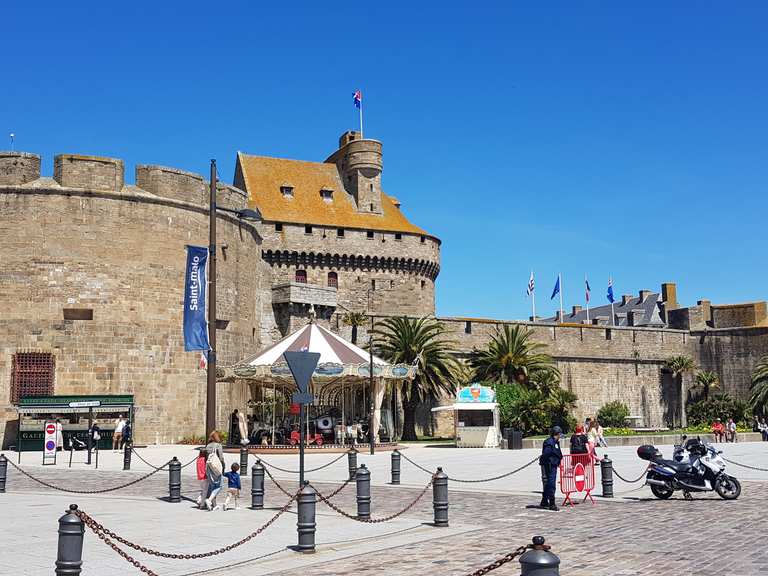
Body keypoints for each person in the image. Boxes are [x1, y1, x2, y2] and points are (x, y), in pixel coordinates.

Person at [539, 426, 563, 511]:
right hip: (549, 465)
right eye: (560, 434)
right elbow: (546, 454)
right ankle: (552, 503)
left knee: (549, 484)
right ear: (556, 434)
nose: (560, 436)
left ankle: (544, 501)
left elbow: (558, 452)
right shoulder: (549, 442)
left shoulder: (556, 442)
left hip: (553, 465)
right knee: (551, 484)